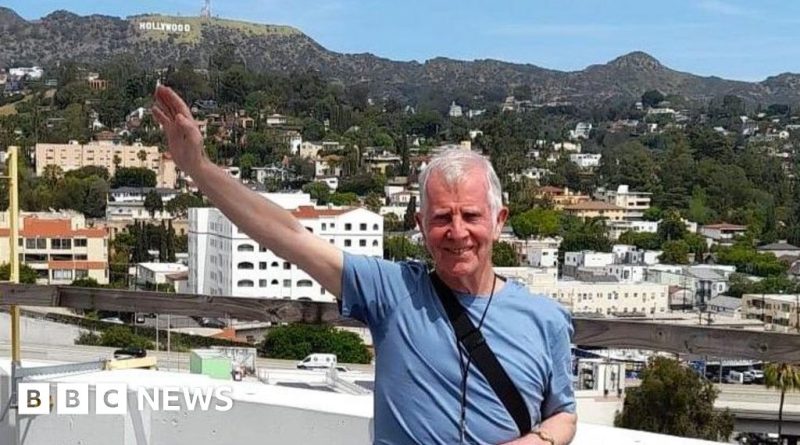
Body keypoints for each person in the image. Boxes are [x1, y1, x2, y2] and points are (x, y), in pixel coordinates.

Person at [152, 85, 577, 445]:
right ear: (420, 226)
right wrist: (198, 167)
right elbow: (289, 235)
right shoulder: (393, 292)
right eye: (442, 218)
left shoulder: (545, 320)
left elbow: (564, 413)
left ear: (499, 221)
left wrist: (537, 441)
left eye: (471, 215)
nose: (457, 232)